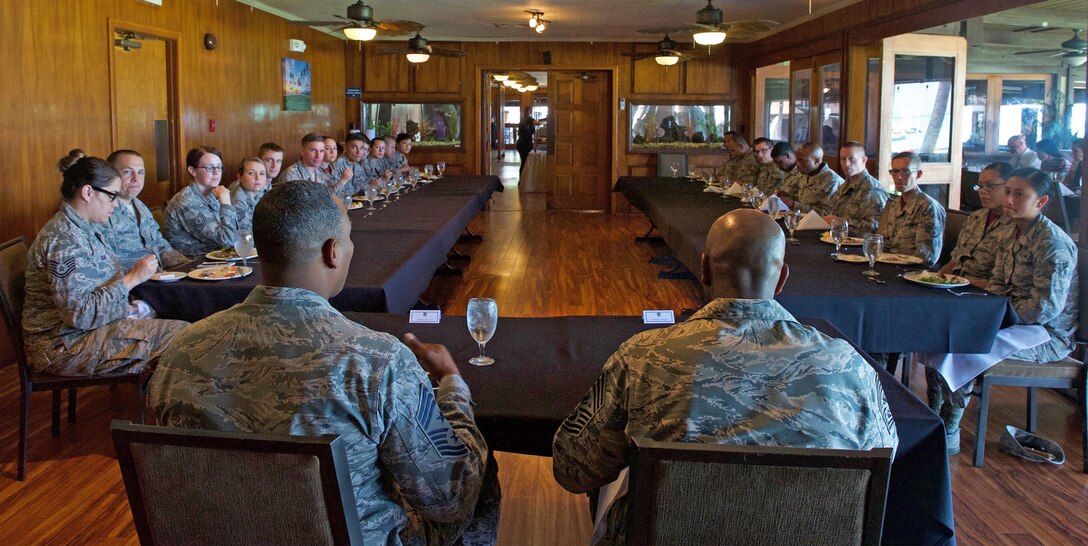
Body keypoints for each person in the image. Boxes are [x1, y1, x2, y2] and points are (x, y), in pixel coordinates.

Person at [148, 180, 499, 545]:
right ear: (333, 251)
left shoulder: (181, 350)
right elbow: (452, 497)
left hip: (218, 535)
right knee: (479, 470)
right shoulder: (377, 361)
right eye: (348, 237)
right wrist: (452, 385)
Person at [552, 209, 898, 545]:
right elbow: (886, 458)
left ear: (703, 268)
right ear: (782, 279)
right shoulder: (849, 366)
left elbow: (573, 469)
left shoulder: (643, 357)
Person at [918, 168, 1078, 454]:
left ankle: (951, 427)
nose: (1010, 199)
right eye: (1009, 192)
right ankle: (933, 414)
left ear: (1040, 202)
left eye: (1020, 194)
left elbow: (1044, 309)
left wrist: (992, 322)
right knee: (942, 331)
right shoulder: (1012, 233)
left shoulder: (1052, 243)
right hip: (1012, 319)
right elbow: (998, 285)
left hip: (1045, 334)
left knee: (968, 343)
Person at [22, 150, 188, 376]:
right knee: (185, 336)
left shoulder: (85, 228)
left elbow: (98, 289)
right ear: (88, 192)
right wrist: (132, 279)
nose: (115, 203)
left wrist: (127, 304)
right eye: (111, 195)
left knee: (185, 322)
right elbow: (80, 314)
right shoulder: (63, 239)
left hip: (90, 331)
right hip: (65, 345)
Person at [103, 149, 188, 271]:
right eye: (127, 172)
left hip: (159, 276)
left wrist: (189, 266)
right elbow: (108, 263)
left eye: (141, 172)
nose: (136, 178)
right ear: (110, 175)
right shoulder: (103, 212)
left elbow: (159, 244)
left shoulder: (140, 206)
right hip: (133, 284)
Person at [939, 162, 1016, 286]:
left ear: (1009, 187)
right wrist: (939, 277)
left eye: (990, 186)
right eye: (980, 186)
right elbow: (956, 258)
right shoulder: (976, 217)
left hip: (984, 292)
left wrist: (964, 284)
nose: (983, 192)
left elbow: (1005, 282)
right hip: (955, 284)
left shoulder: (1015, 225)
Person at [163, 146, 239, 256]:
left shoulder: (212, 194)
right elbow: (228, 239)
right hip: (193, 264)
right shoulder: (186, 201)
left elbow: (235, 235)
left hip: (218, 258)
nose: (216, 172)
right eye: (209, 168)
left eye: (219, 167)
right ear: (192, 170)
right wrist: (226, 202)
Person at [876, 151, 945, 266]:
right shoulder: (895, 204)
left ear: (918, 174)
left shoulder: (928, 207)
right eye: (894, 171)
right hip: (889, 265)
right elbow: (885, 243)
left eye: (904, 171)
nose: (898, 177)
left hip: (913, 271)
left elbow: (927, 257)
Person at [825, 141, 888, 233]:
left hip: (860, 244)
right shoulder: (845, 186)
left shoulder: (872, 189)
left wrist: (840, 222)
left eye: (852, 159)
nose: (846, 164)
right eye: (843, 159)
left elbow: (875, 227)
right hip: (840, 238)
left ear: (864, 160)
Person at [779, 142, 842, 215]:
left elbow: (826, 213)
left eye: (802, 160)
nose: (797, 164)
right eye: (797, 160)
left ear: (817, 161)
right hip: (801, 219)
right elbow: (804, 199)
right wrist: (787, 196)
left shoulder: (832, 181)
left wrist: (794, 205)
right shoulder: (804, 173)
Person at [228, 157, 268, 232]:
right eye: (251, 173)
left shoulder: (260, 190)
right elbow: (246, 234)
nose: (258, 177)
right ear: (239, 177)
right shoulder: (237, 200)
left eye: (262, 173)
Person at [328, 133, 370, 199]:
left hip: (355, 203)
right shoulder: (336, 165)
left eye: (361, 148)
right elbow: (331, 194)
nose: (358, 152)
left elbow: (360, 188)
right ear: (345, 147)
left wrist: (374, 185)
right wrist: (343, 180)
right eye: (354, 147)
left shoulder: (357, 165)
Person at [516, 106, 538, 175]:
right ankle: (522, 179)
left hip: (525, 144)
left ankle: (523, 179)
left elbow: (533, 132)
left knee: (525, 162)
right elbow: (538, 123)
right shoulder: (527, 120)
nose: (528, 113)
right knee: (524, 162)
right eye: (527, 112)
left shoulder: (524, 120)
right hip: (523, 144)